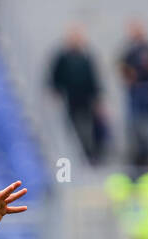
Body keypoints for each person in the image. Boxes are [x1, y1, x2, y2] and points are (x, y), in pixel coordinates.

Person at [48, 24, 104, 164]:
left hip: (86, 99)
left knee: (87, 128)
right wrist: (56, 91)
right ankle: (71, 157)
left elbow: (94, 79)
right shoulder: (62, 57)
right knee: (70, 128)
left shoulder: (86, 57)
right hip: (70, 99)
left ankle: (89, 155)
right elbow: (55, 76)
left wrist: (97, 98)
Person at [118, 19, 148, 171]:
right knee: (134, 125)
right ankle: (136, 157)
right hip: (135, 92)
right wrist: (128, 77)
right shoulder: (128, 50)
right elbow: (121, 67)